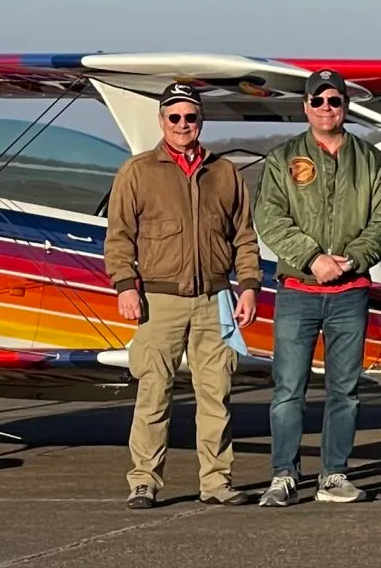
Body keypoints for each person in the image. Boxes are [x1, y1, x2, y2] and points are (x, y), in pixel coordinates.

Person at [103, 81, 262, 508]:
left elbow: (245, 238)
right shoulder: (137, 172)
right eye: (174, 117)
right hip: (159, 301)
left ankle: (217, 482)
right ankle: (144, 482)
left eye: (190, 117)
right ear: (161, 121)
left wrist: (248, 287)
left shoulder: (224, 173)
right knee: (154, 392)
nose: (182, 124)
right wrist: (124, 286)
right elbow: (119, 238)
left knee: (217, 394)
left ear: (200, 121)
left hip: (215, 299)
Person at [252, 69, 381, 506]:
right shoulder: (282, 158)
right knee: (287, 389)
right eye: (317, 101)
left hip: (350, 292)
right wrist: (312, 258)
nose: (325, 109)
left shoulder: (372, 160)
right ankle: (284, 473)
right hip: (298, 289)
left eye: (334, 101)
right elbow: (270, 217)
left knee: (345, 390)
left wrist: (352, 258)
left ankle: (334, 473)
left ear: (345, 106)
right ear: (305, 107)